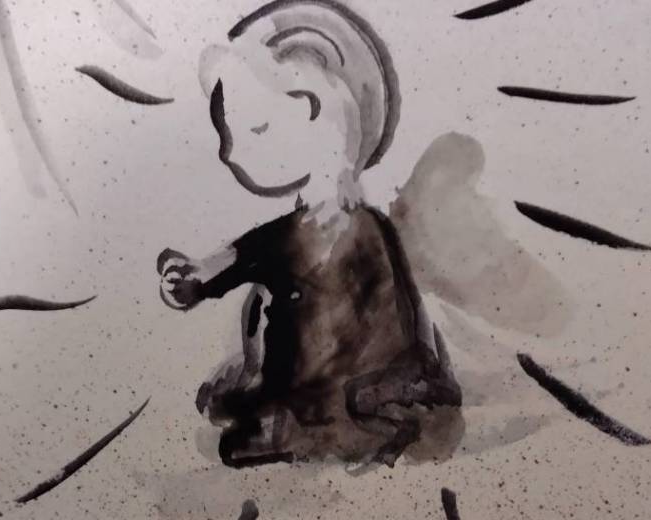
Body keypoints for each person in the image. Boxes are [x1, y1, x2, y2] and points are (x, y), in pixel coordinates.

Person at [158, 0, 462, 468]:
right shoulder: (337, 226)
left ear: (309, 109)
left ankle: (312, 423)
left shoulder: (337, 230)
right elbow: (253, 253)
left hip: (335, 389)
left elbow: (255, 255)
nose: (229, 153)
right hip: (325, 384)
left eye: (253, 129)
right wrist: (201, 275)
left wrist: (202, 277)